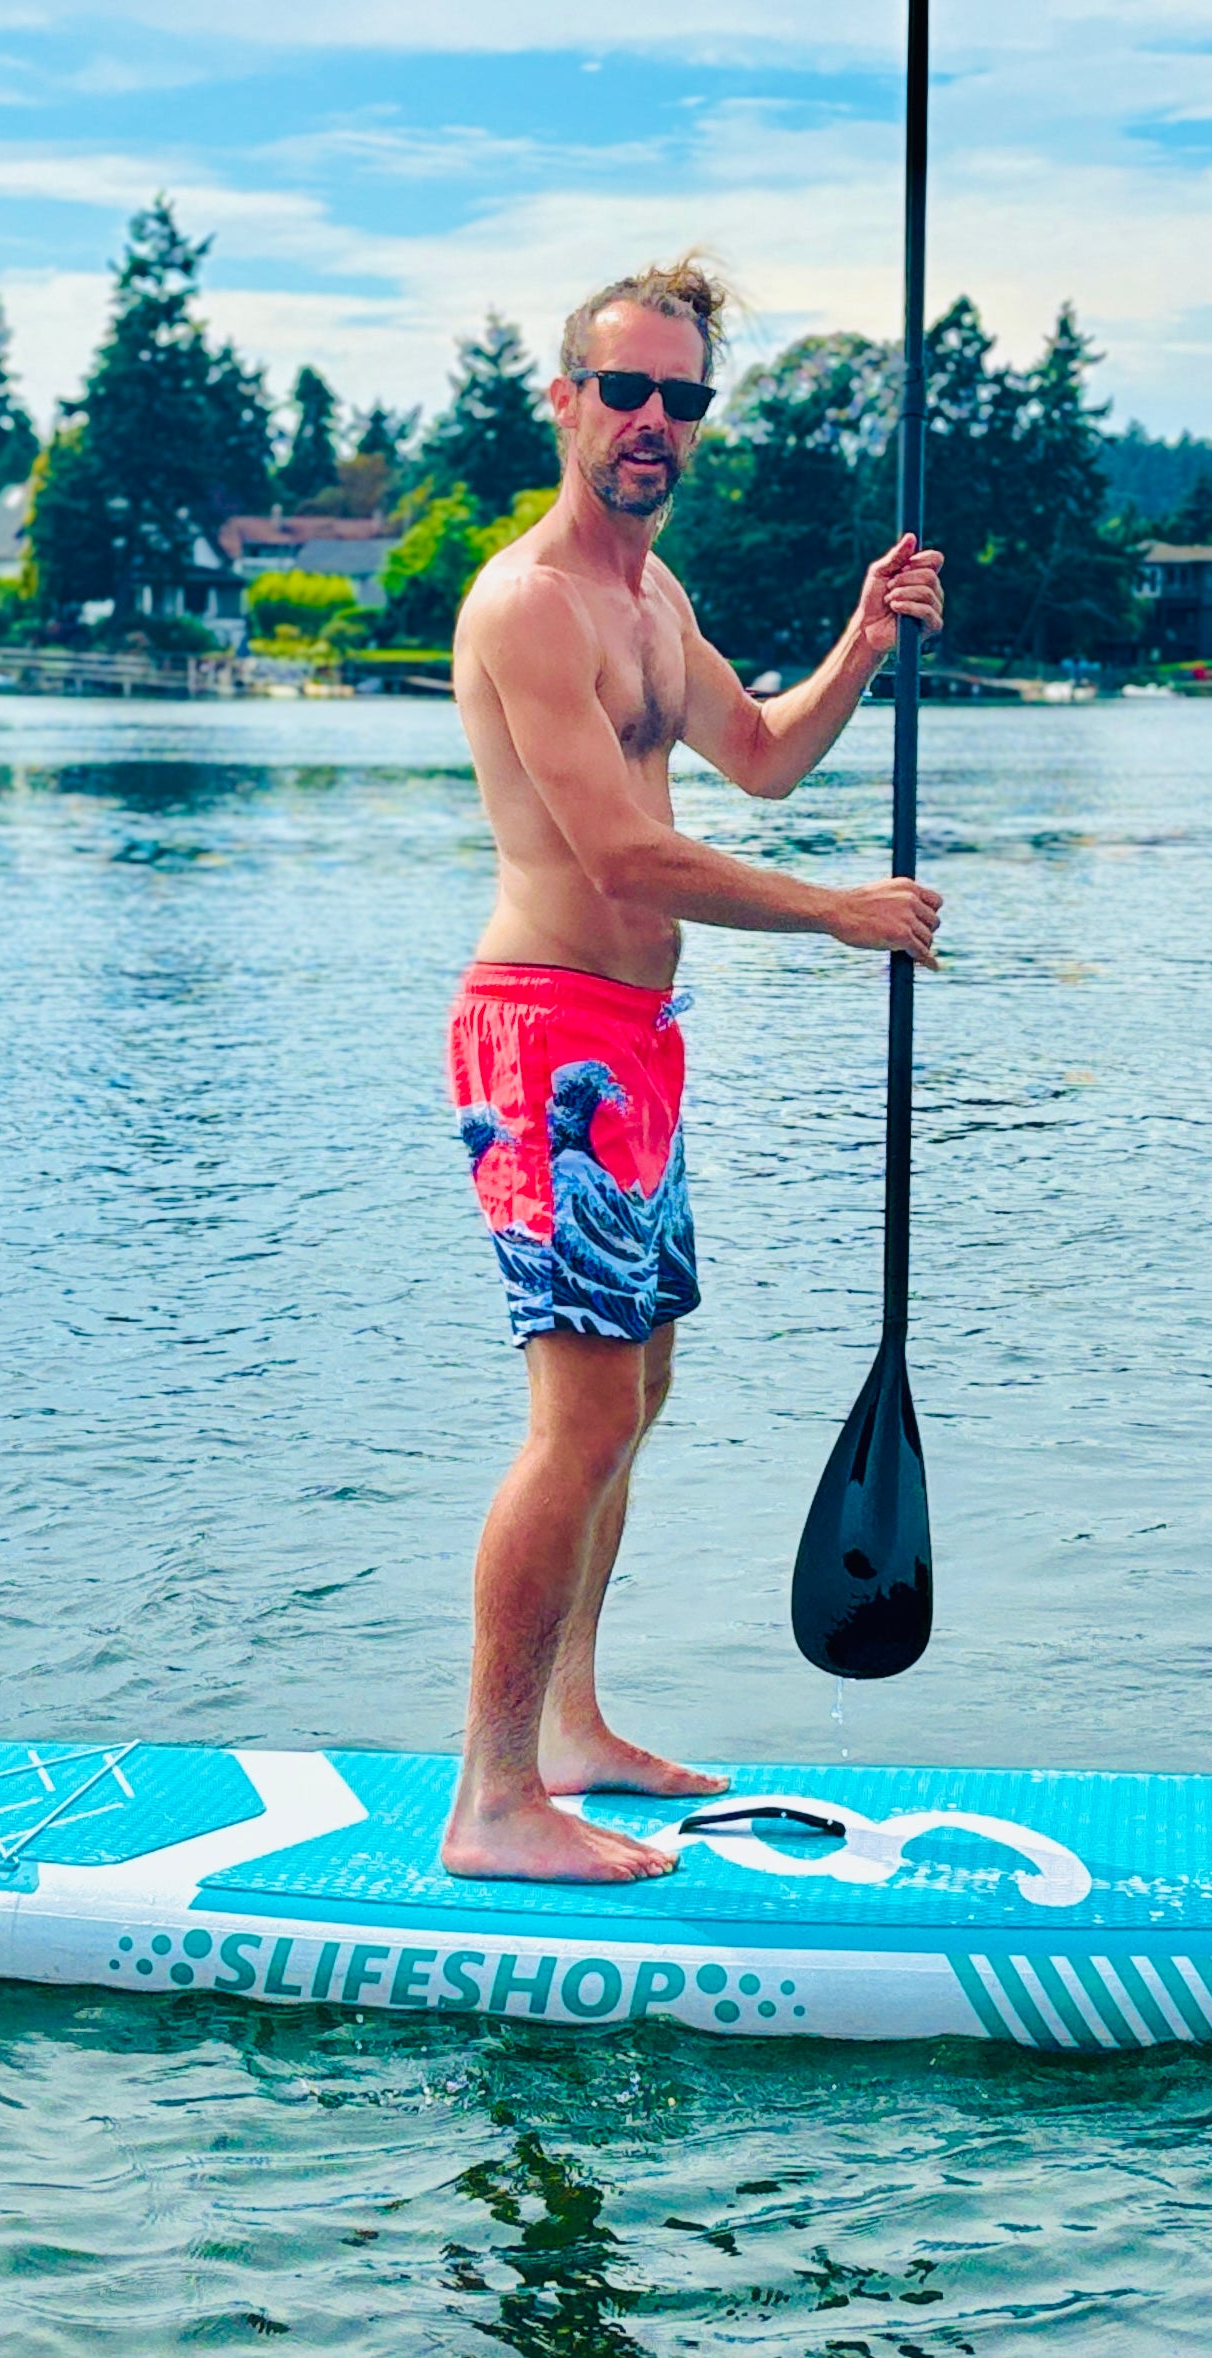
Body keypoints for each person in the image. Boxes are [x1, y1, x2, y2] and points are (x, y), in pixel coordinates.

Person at [440, 256, 945, 1883]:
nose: (654, 420)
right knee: (575, 1417)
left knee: (633, 1391)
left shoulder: (655, 602)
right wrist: (838, 920)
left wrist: (864, 638)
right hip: (546, 1040)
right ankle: (493, 1797)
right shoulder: (529, 602)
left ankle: (572, 1730)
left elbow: (766, 761)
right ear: (565, 400)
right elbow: (620, 854)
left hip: (634, 1045)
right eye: (626, 389)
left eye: (683, 397)